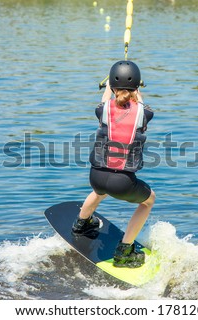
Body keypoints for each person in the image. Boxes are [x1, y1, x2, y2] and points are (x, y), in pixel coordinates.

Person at [71, 60, 155, 268]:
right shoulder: (145, 113)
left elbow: (105, 100)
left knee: (100, 191)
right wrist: (136, 89)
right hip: (122, 182)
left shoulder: (102, 110)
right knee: (148, 201)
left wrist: (109, 85)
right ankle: (125, 251)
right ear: (136, 88)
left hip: (96, 177)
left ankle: (81, 224)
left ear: (111, 86)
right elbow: (140, 105)